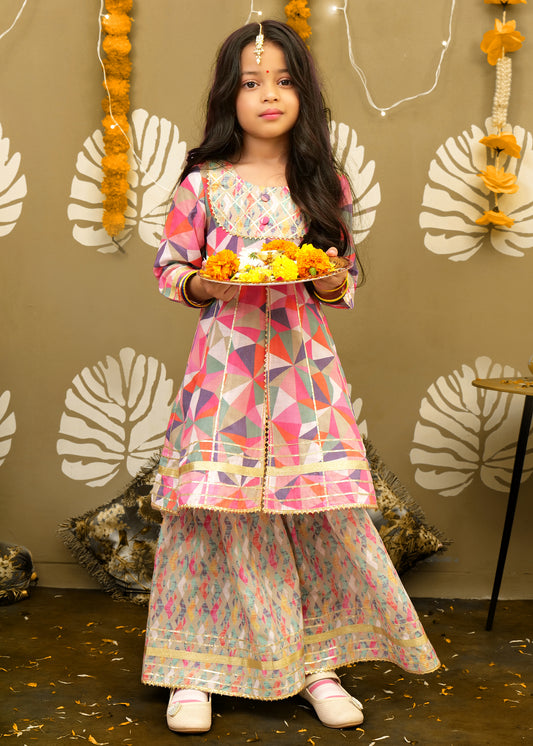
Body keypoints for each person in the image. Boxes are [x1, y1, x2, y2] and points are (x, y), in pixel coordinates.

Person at [142, 19, 439, 734]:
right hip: (224, 376)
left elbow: (340, 278)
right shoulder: (202, 187)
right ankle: (193, 670)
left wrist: (331, 277)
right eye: (250, 82)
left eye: (283, 80)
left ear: (303, 92)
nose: (268, 94)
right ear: (227, 96)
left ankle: (317, 664)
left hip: (304, 378)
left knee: (311, 518)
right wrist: (205, 284)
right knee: (211, 516)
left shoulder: (320, 185)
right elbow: (170, 269)